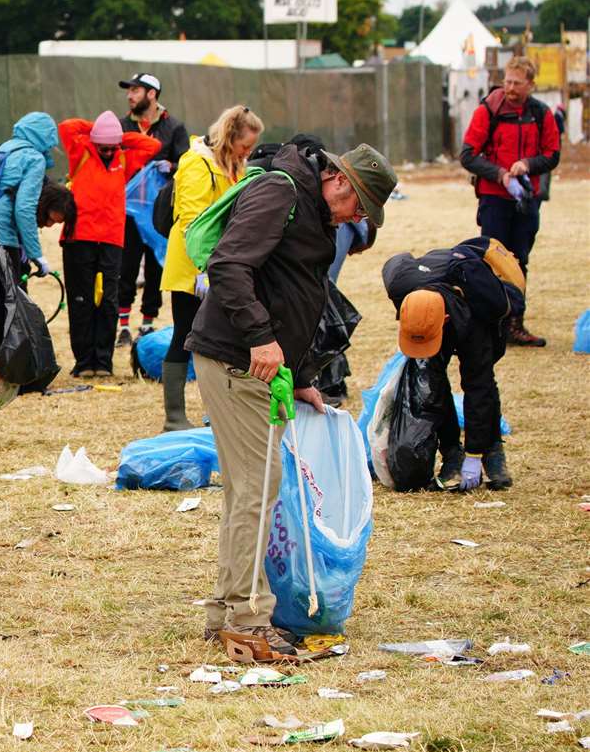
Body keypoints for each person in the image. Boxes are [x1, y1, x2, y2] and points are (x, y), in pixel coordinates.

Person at [186, 142, 397, 660]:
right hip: (237, 358)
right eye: (360, 207)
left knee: (249, 490)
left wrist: (300, 373)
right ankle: (247, 620)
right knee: (259, 489)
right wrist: (260, 337)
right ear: (341, 183)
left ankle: (227, 614)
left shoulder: (312, 208)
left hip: (262, 365)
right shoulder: (280, 192)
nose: (357, 219)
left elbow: (293, 287)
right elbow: (229, 264)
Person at [384, 237, 524, 491]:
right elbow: (431, 389)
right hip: (433, 298)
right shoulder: (400, 284)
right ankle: (452, 454)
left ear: (446, 320)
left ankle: (491, 452)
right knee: (430, 381)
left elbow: (478, 389)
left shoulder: (481, 310)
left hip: (481, 307)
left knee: (479, 381)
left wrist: (474, 454)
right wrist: (453, 451)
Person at [157, 106, 264, 430]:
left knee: (220, 339)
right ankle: (174, 417)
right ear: (230, 137)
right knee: (184, 334)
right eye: (246, 145)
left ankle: (220, 410)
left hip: (218, 265)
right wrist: (200, 269)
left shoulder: (234, 166)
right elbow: (192, 219)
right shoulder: (196, 162)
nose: (249, 152)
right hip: (192, 266)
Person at [459, 55, 557, 346]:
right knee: (491, 261)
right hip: (493, 198)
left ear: (531, 84)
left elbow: (552, 155)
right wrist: (499, 173)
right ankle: (491, 326)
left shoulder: (541, 113)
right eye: (507, 81)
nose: (510, 87)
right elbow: (467, 155)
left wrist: (527, 164)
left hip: (526, 199)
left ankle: (515, 323)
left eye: (517, 83)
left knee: (520, 261)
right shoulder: (488, 111)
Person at [57, 110, 161, 378]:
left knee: (107, 301)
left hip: (112, 239)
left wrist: (116, 135)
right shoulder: (80, 150)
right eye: (102, 145)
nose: (106, 150)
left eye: (110, 146)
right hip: (78, 238)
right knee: (80, 300)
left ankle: (103, 362)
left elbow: (152, 145)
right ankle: (83, 362)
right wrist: (97, 128)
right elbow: (68, 125)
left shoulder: (124, 156)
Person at [118, 74, 190, 346]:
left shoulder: (173, 127)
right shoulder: (123, 126)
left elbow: (185, 163)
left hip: (158, 210)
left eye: (135, 90)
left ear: (152, 94)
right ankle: (123, 325)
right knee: (125, 266)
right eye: (129, 90)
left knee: (155, 268)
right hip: (127, 210)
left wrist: (169, 167)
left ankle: (148, 324)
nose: (130, 96)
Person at [0, 111, 60, 282]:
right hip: (5, 237)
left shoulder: (1, 148)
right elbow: (24, 209)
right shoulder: (34, 158)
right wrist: (37, 255)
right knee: (12, 301)